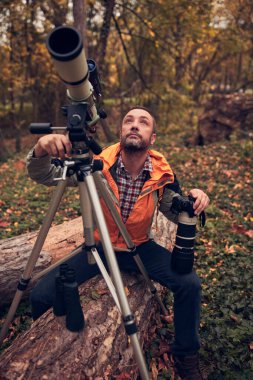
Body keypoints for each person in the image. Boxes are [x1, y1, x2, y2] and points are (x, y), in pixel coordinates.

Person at [26, 106, 209, 379]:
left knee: (190, 284)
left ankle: (186, 353)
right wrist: (41, 149)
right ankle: (46, 349)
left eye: (143, 122)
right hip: (98, 247)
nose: (135, 125)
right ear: (122, 132)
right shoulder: (97, 164)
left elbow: (172, 210)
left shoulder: (161, 172)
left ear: (153, 137)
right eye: (129, 121)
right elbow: (43, 175)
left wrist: (193, 199)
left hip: (140, 246)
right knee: (40, 295)